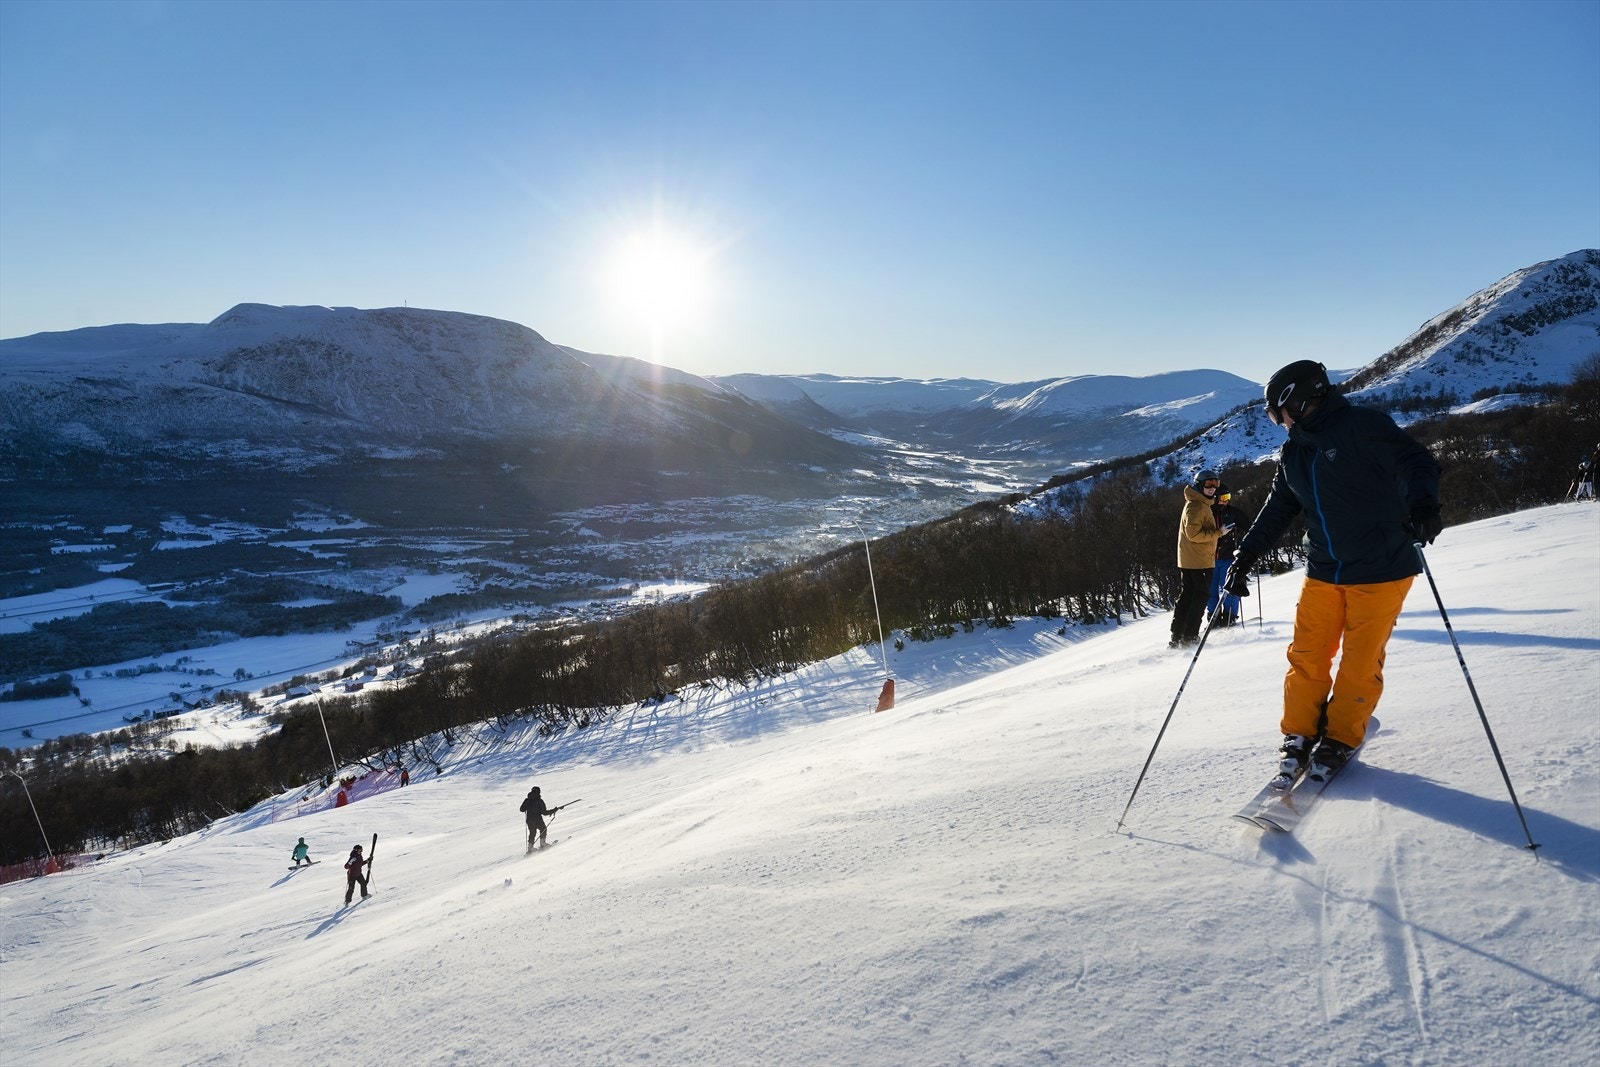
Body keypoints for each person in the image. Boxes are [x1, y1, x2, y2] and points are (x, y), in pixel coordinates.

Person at [1223, 360, 1441, 785]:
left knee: (1360, 660)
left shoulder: (1362, 426)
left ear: (1299, 401)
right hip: (1325, 567)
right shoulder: (1295, 449)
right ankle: (1299, 733)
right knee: (1307, 655)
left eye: (1275, 413)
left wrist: (1424, 507)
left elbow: (1417, 462)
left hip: (1382, 566)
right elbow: (1279, 506)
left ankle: (1341, 736)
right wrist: (1245, 556)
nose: (1276, 422)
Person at [1170, 469, 1227, 648]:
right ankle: (1189, 636)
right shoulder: (1197, 506)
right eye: (1208, 484)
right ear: (1199, 485)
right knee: (1199, 596)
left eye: (1215, 484)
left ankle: (1178, 635)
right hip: (1198, 561)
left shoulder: (1198, 503)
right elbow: (1193, 534)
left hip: (1191, 559)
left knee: (1188, 596)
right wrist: (1219, 532)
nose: (1212, 488)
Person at [1207, 486, 1249, 626]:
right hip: (1209, 559)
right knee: (1210, 591)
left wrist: (1247, 546)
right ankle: (1214, 617)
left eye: (1228, 497)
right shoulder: (1207, 512)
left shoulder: (1233, 512)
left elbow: (1249, 527)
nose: (1226, 501)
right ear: (1216, 499)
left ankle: (1230, 616)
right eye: (1223, 498)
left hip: (1228, 557)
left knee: (1230, 588)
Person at [519, 785, 562, 851]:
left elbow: (521, 809)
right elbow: (544, 812)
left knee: (532, 833)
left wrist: (527, 806)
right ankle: (542, 844)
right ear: (539, 792)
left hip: (529, 820)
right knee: (543, 829)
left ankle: (530, 848)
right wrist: (554, 810)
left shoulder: (527, 800)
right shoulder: (540, 801)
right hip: (537, 819)